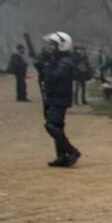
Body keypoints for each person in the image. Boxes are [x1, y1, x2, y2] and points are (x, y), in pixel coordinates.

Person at [35, 31, 80, 167]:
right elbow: (46, 76)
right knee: (58, 126)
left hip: (60, 98)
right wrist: (41, 65)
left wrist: (45, 66)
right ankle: (61, 156)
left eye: (54, 45)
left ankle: (71, 151)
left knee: (51, 125)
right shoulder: (56, 60)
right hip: (53, 96)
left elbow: (54, 76)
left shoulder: (66, 61)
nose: (51, 48)